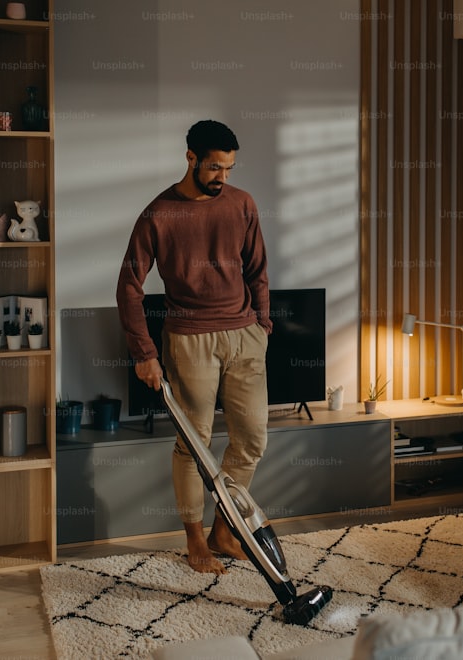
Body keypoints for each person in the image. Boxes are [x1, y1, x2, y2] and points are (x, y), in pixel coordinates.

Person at [115, 119, 271, 574]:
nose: (224, 177)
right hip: (188, 340)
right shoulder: (159, 213)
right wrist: (144, 353)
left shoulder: (242, 204)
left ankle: (226, 530)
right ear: (191, 159)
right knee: (193, 444)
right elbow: (128, 286)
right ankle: (194, 541)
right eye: (216, 168)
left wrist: (262, 322)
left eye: (230, 168)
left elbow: (258, 268)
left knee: (252, 439)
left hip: (244, 336)